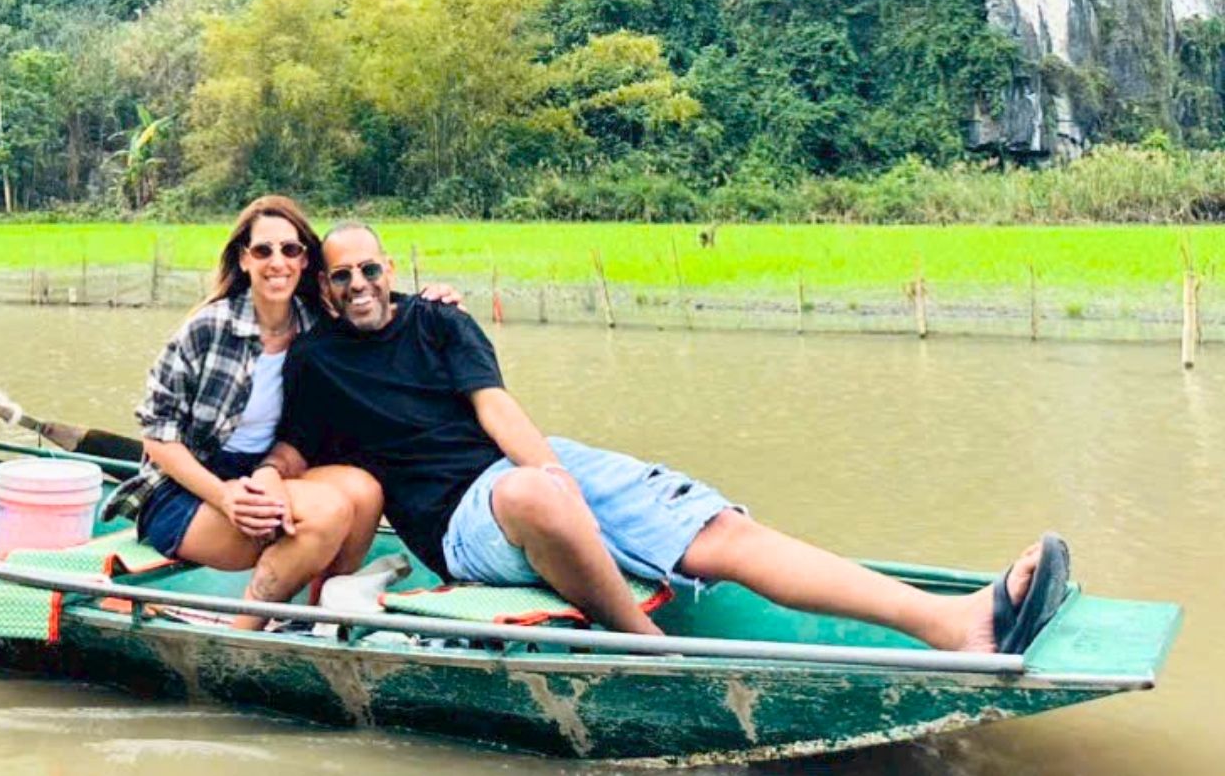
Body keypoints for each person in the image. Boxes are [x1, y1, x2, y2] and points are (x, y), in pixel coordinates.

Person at [254, 221, 1071, 655]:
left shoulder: (440, 321)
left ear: (389, 269)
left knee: (718, 532)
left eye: (369, 270)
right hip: (459, 525)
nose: (358, 284)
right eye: (340, 275)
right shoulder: (320, 361)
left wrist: (552, 473)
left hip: (527, 464)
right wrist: (259, 482)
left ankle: (952, 622)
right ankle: (645, 645)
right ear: (323, 288)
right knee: (537, 493)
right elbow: (297, 450)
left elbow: (498, 409)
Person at [107, 196, 393, 629]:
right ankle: (242, 642)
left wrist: (434, 300)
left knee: (366, 491)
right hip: (185, 488)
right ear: (244, 259)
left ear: (303, 262)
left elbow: (371, 300)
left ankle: (320, 622)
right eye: (263, 251)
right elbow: (157, 436)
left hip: (264, 471)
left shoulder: (314, 323)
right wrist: (225, 496)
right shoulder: (208, 328)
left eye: (290, 250)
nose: (277, 262)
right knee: (327, 510)